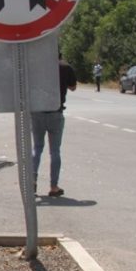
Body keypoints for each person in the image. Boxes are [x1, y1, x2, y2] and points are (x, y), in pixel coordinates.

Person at [32, 56, 78, 197]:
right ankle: (54, 186)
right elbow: (73, 87)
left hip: (37, 112)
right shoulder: (65, 67)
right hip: (55, 112)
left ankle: (32, 180)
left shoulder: (35, 66)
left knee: (37, 147)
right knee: (55, 151)